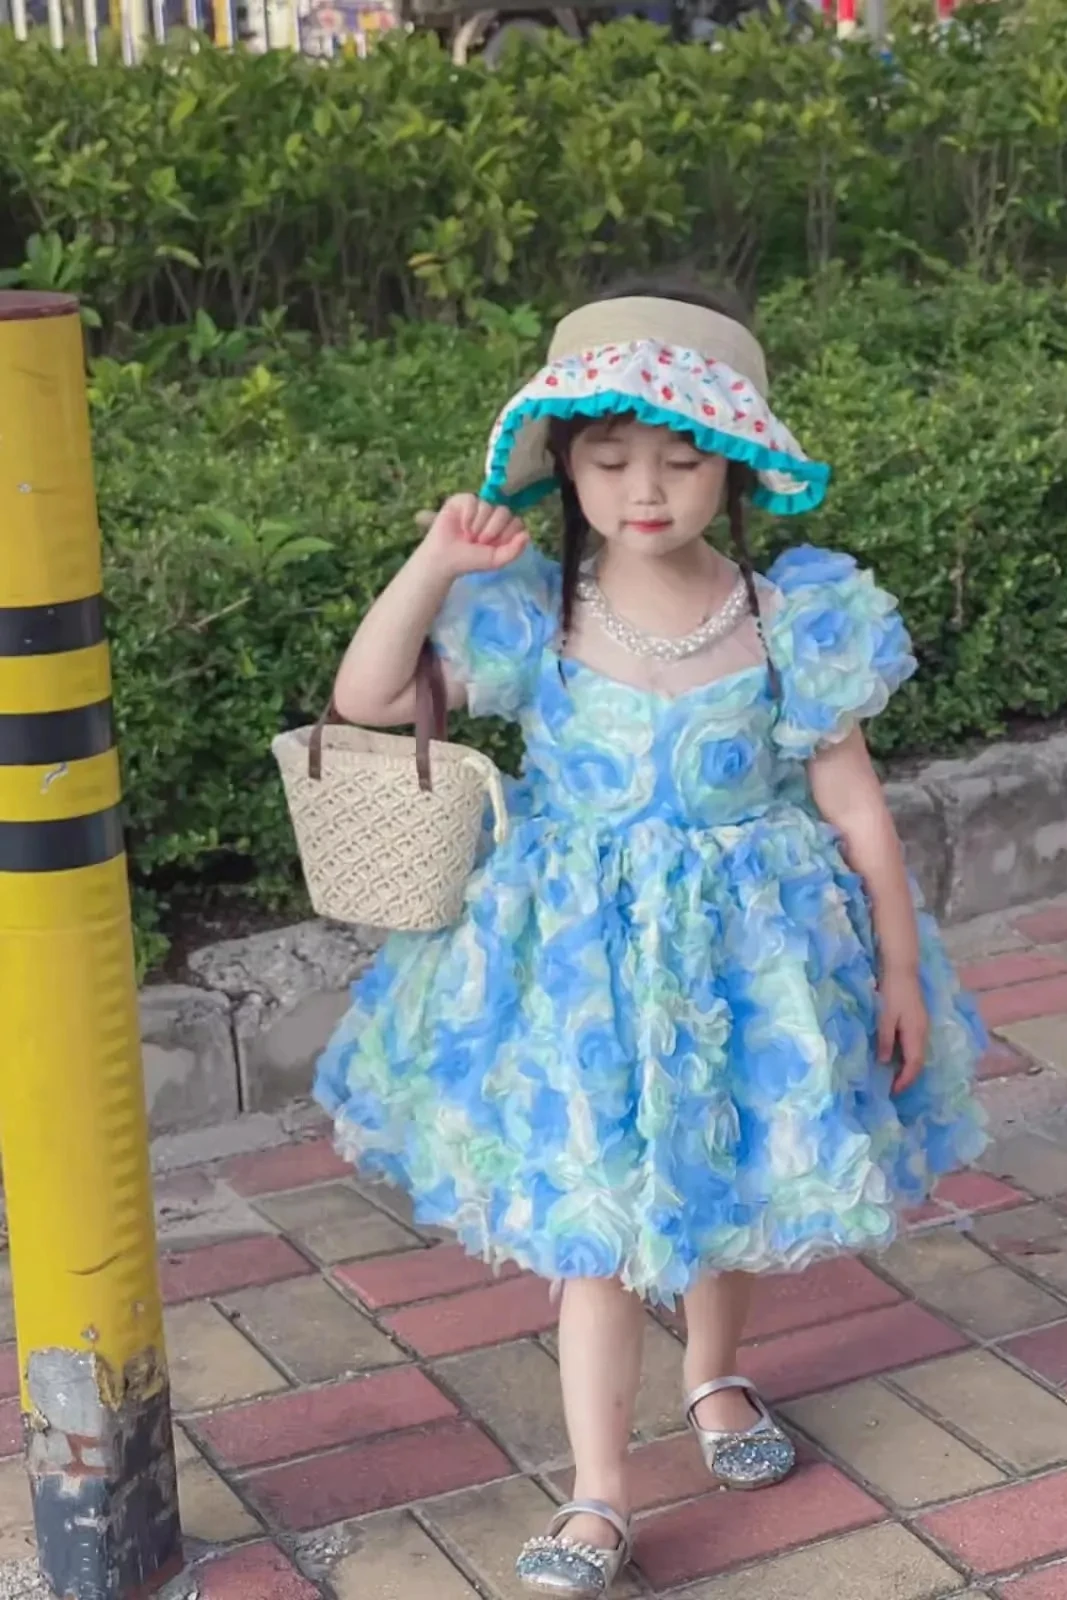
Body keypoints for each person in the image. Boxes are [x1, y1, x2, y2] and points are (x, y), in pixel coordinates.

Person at [315, 279, 987, 1598]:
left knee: (730, 1174)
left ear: (731, 466)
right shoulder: (535, 615)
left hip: (757, 956)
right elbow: (369, 694)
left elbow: (853, 800)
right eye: (610, 459)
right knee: (600, 1220)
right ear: (563, 465)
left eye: (682, 461)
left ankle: (715, 1377)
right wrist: (439, 561)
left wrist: (899, 968)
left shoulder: (791, 616)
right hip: (575, 974)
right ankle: (599, 1492)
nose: (645, 489)